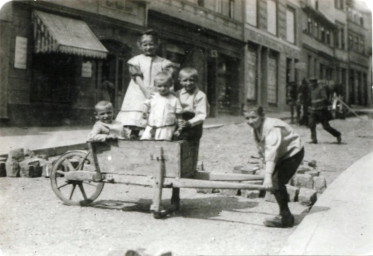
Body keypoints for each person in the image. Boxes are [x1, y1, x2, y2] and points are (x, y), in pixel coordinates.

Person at [244, 106, 304, 228]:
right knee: (275, 182)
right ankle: (284, 212)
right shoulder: (255, 129)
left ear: (262, 116)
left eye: (254, 117)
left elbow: (271, 151)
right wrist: (265, 169)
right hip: (280, 153)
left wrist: (267, 176)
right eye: (247, 118)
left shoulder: (272, 127)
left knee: (276, 181)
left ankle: (286, 218)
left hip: (293, 152)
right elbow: (262, 149)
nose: (250, 121)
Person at [115, 29, 176, 139]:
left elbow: (167, 79)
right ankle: (133, 137)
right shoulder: (136, 60)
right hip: (137, 92)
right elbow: (137, 77)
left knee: (153, 121)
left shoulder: (164, 63)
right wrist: (145, 91)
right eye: (145, 45)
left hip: (156, 93)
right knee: (135, 120)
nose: (148, 47)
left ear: (157, 44)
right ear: (140, 45)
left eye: (151, 44)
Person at [141, 71, 183, 140]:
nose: (162, 88)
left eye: (165, 86)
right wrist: (144, 112)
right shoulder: (153, 97)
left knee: (163, 143)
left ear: (170, 85)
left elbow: (179, 114)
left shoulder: (174, 99)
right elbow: (146, 105)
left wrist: (179, 128)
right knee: (146, 141)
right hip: (152, 126)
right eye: (159, 86)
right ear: (155, 85)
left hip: (166, 128)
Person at [176, 67, 208, 141]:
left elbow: (201, 115)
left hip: (193, 123)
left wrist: (189, 123)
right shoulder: (177, 94)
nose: (188, 83)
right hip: (180, 121)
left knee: (189, 143)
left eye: (191, 80)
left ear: (196, 81)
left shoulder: (200, 95)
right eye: (185, 80)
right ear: (180, 81)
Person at [308, 78, 342, 144]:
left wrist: (320, 103)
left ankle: (338, 134)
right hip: (314, 110)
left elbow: (325, 98)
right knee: (311, 124)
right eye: (310, 83)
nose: (311, 85)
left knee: (326, 127)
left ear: (315, 83)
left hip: (321, 110)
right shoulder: (312, 90)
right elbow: (311, 99)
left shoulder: (321, 89)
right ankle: (314, 139)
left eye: (312, 83)